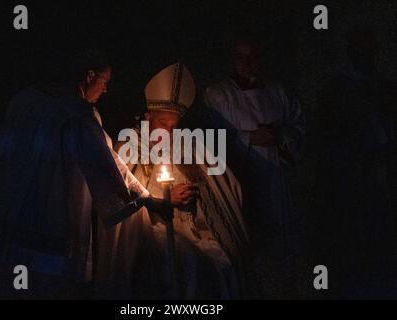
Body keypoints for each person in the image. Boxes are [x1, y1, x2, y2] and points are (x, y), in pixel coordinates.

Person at [0, 49, 168, 299]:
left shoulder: (24, 100)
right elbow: (104, 164)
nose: (105, 90)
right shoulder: (76, 114)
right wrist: (147, 199)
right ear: (89, 75)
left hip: (3, 217)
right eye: (104, 81)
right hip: (45, 225)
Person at [105, 62, 251, 299]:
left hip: (196, 229)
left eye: (174, 126)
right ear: (148, 116)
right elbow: (120, 199)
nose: (169, 132)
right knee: (185, 264)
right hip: (151, 230)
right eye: (163, 124)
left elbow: (226, 188)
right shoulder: (129, 147)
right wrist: (164, 199)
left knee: (225, 259)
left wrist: (200, 197)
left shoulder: (190, 145)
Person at [203, 32, 305, 298]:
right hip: (245, 185)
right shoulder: (218, 96)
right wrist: (248, 139)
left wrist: (281, 136)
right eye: (241, 58)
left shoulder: (278, 91)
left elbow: (300, 127)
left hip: (280, 185)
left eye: (254, 58)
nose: (248, 64)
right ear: (231, 60)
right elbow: (212, 142)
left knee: (283, 256)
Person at [314, 26, 397, 298]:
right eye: (359, 49)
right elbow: (331, 138)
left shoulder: (382, 85)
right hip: (352, 178)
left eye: (368, 48)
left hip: (381, 172)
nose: (365, 54)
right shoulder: (337, 89)